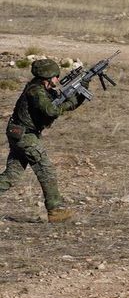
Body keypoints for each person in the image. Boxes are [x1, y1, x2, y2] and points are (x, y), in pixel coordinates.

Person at [0, 59, 86, 222]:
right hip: (25, 136)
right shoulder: (36, 91)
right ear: (47, 77)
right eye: (56, 76)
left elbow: (66, 104)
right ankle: (55, 211)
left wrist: (81, 92)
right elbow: (51, 111)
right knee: (46, 170)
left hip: (20, 134)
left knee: (11, 176)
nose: (58, 80)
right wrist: (67, 103)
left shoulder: (45, 91)